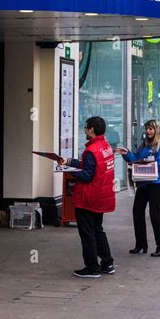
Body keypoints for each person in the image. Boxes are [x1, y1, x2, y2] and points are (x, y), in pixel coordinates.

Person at [60, 116, 115, 278]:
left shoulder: (91, 150)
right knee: (98, 230)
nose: (84, 130)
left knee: (87, 233)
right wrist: (69, 161)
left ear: (91, 130)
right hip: (101, 196)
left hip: (88, 198)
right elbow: (90, 165)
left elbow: (87, 175)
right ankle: (108, 263)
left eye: (86, 127)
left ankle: (92, 268)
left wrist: (68, 171)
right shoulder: (105, 146)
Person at [116, 120, 160, 257]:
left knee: (154, 213)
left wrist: (143, 163)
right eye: (147, 129)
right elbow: (135, 157)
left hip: (156, 183)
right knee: (137, 211)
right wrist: (126, 153)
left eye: (151, 129)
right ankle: (141, 244)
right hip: (143, 182)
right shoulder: (144, 145)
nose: (148, 131)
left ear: (157, 130)